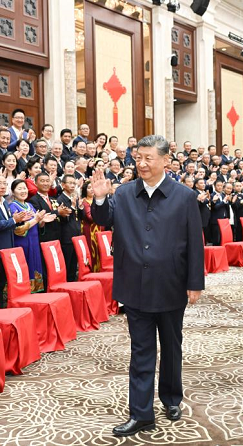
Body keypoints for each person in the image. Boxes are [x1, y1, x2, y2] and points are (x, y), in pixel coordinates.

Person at [91, 135, 204, 437]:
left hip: (171, 285)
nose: (141, 163)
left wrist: (195, 283)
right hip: (135, 285)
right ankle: (141, 414)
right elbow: (104, 219)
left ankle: (171, 398)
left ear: (166, 160)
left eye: (148, 158)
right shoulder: (124, 193)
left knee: (171, 346)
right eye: (137, 157)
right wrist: (100, 199)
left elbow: (195, 243)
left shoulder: (184, 196)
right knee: (141, 351)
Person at [0, 174, 33, 309]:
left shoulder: (4, 201)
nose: (3, 186)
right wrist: (14, 220)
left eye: (4, 183)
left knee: (1, 283)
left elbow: (8, 223)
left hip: (7, 247)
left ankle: (1, 309)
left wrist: (17, 220)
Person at [9, 179, 48, 292]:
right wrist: (35, 220)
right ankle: (25, 291)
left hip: (34, 240)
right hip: (22, 242)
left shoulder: (29, 205)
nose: (23, 191)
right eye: (19, 189)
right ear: (13, 192)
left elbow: (37, 224)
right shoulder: (12, 206)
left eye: (24, 188)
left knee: (35, 265)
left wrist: (42, 221)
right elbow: (17, 229)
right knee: (25, 266)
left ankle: (36, 291)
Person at [56, 174, 84, 282]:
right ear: (63, 185)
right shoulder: (60, 200)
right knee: (67, 265)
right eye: (70, 183)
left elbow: (81, 217)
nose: (72, 185)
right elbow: (64, 219)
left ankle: (73, 285)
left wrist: (80, 206)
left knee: (73, 265)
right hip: (67, 238)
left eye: (74, 183)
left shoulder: (74, 198)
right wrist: (72, 206)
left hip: (76, 236)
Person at [80, 180, 104, 272]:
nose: (92, 190)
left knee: (100, 250)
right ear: (85, 190)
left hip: (100, 230)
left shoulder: (98, 200)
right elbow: (90, 217)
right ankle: (92, 271)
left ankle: (100, 270)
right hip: (90, 231)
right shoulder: (84, 202)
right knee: (92, 251)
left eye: (93, 187)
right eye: (89, 188)